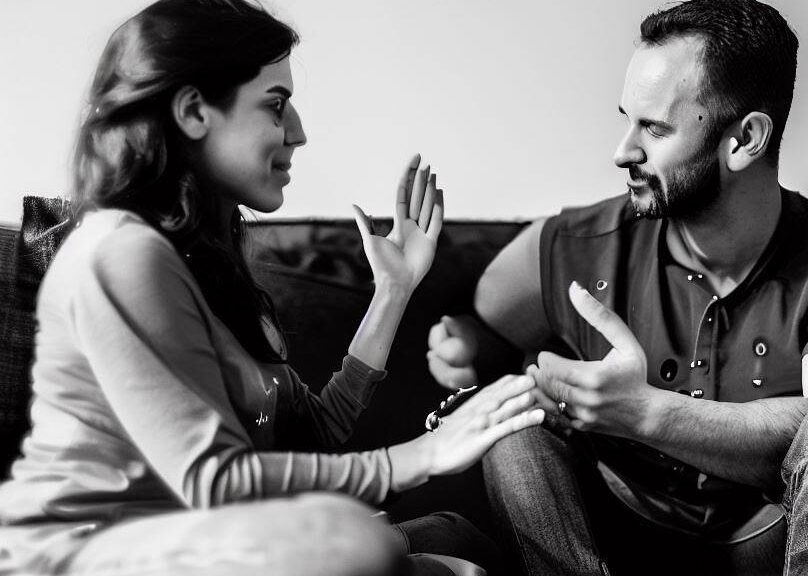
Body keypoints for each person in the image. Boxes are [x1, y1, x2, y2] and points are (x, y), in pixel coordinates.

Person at [0, 1, 544, 575]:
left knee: (453, 537)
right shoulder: (122, 255)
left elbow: (310, 437)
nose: (300, 132)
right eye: (276, 104)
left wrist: (393, 290)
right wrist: (420, 456)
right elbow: (215, 480)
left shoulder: (210, 266)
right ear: (192, 111)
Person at [426, 1, 808, 574]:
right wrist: (471, 350)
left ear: (745, 139)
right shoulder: (574, 245)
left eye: (654, 128)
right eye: (626, 119)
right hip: (612, 532)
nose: (622, 150)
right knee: (516, 428)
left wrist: (642, 413)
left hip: (768, 541)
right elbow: (483, 324)